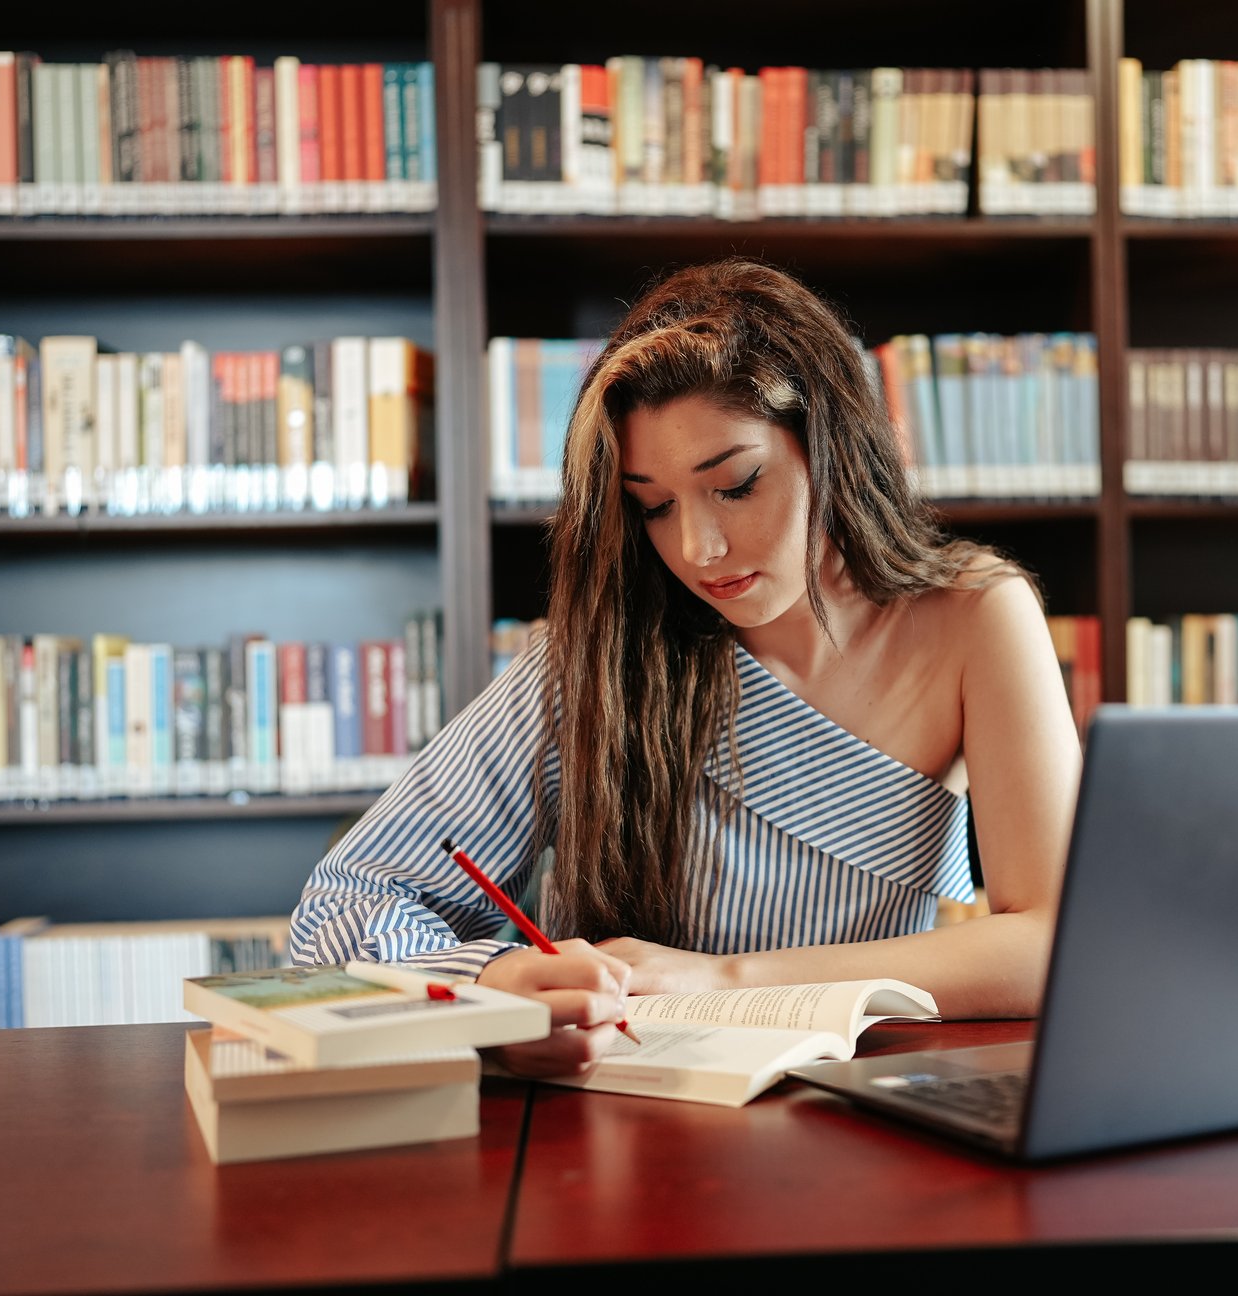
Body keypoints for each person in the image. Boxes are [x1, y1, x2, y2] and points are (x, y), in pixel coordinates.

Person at [291, 258, 1082, 1079]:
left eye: (735, 485)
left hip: (856, 1113)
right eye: (655, 506)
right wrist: (494, 982)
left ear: (833, 443)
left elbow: (1053, 940)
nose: (699, 549)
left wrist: (722, 980)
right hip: (622, 1117)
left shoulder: (977, 615)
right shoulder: (593, 653)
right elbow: (341, 907)